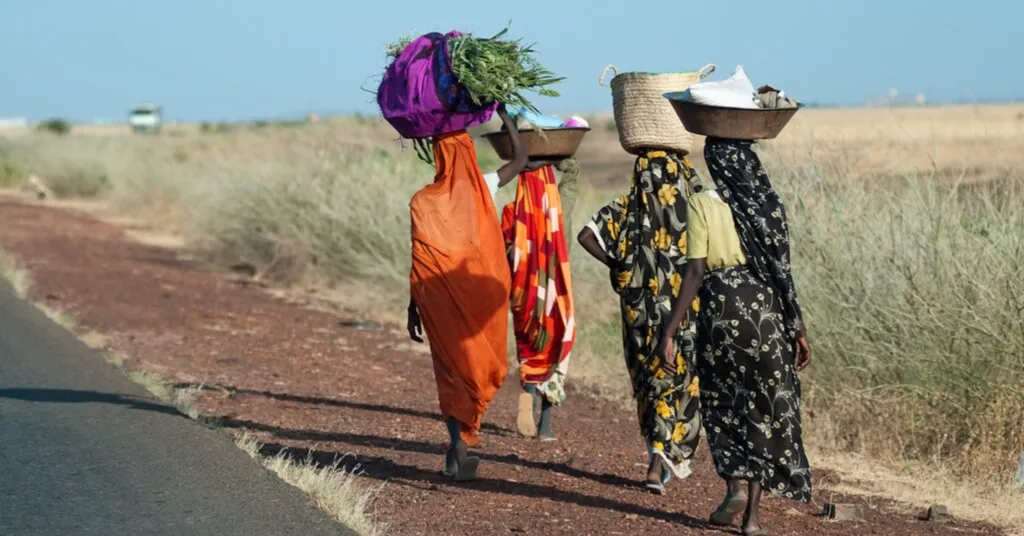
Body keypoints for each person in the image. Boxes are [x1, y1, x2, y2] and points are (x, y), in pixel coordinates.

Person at [660, 137, 813, 535]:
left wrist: (670, 328)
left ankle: (733, 487)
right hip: (766, 311)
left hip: (721, 308)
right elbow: (783, 272)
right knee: (762, 406)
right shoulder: (767, 206)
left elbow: (694, 272)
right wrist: (797, 326)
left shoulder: (702, 203)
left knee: (722, 399)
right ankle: (754, 519)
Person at [406, 103, 529, 481]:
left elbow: (422, 261)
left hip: (437, 300)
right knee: (476, 367)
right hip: (483, 297)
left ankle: (456, 447)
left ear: (439, 157)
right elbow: (522, 158)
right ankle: (460, 444)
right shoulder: (484, 186)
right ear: (469, 155)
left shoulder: (423, 201)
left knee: (450, 370)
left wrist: (413, 307)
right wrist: (505, 115)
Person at [577, 150, 703, 494]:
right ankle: (657, 461)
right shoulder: (692, 209)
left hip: (638, 313)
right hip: (682, 311)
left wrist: (618, 265)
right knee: (675, 378)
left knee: (650, 378)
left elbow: (585, 235)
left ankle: (656, 455)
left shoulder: (626, 206)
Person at [498, 158, 578, 441]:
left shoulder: (511, 212)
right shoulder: (558, 209)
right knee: (556, 351)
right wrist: (565, 163)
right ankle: (545, 425)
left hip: (525, 291)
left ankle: (528, 392)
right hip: (556, 293)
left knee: (529, 347)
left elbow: (505, 253)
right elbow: (571, 183)